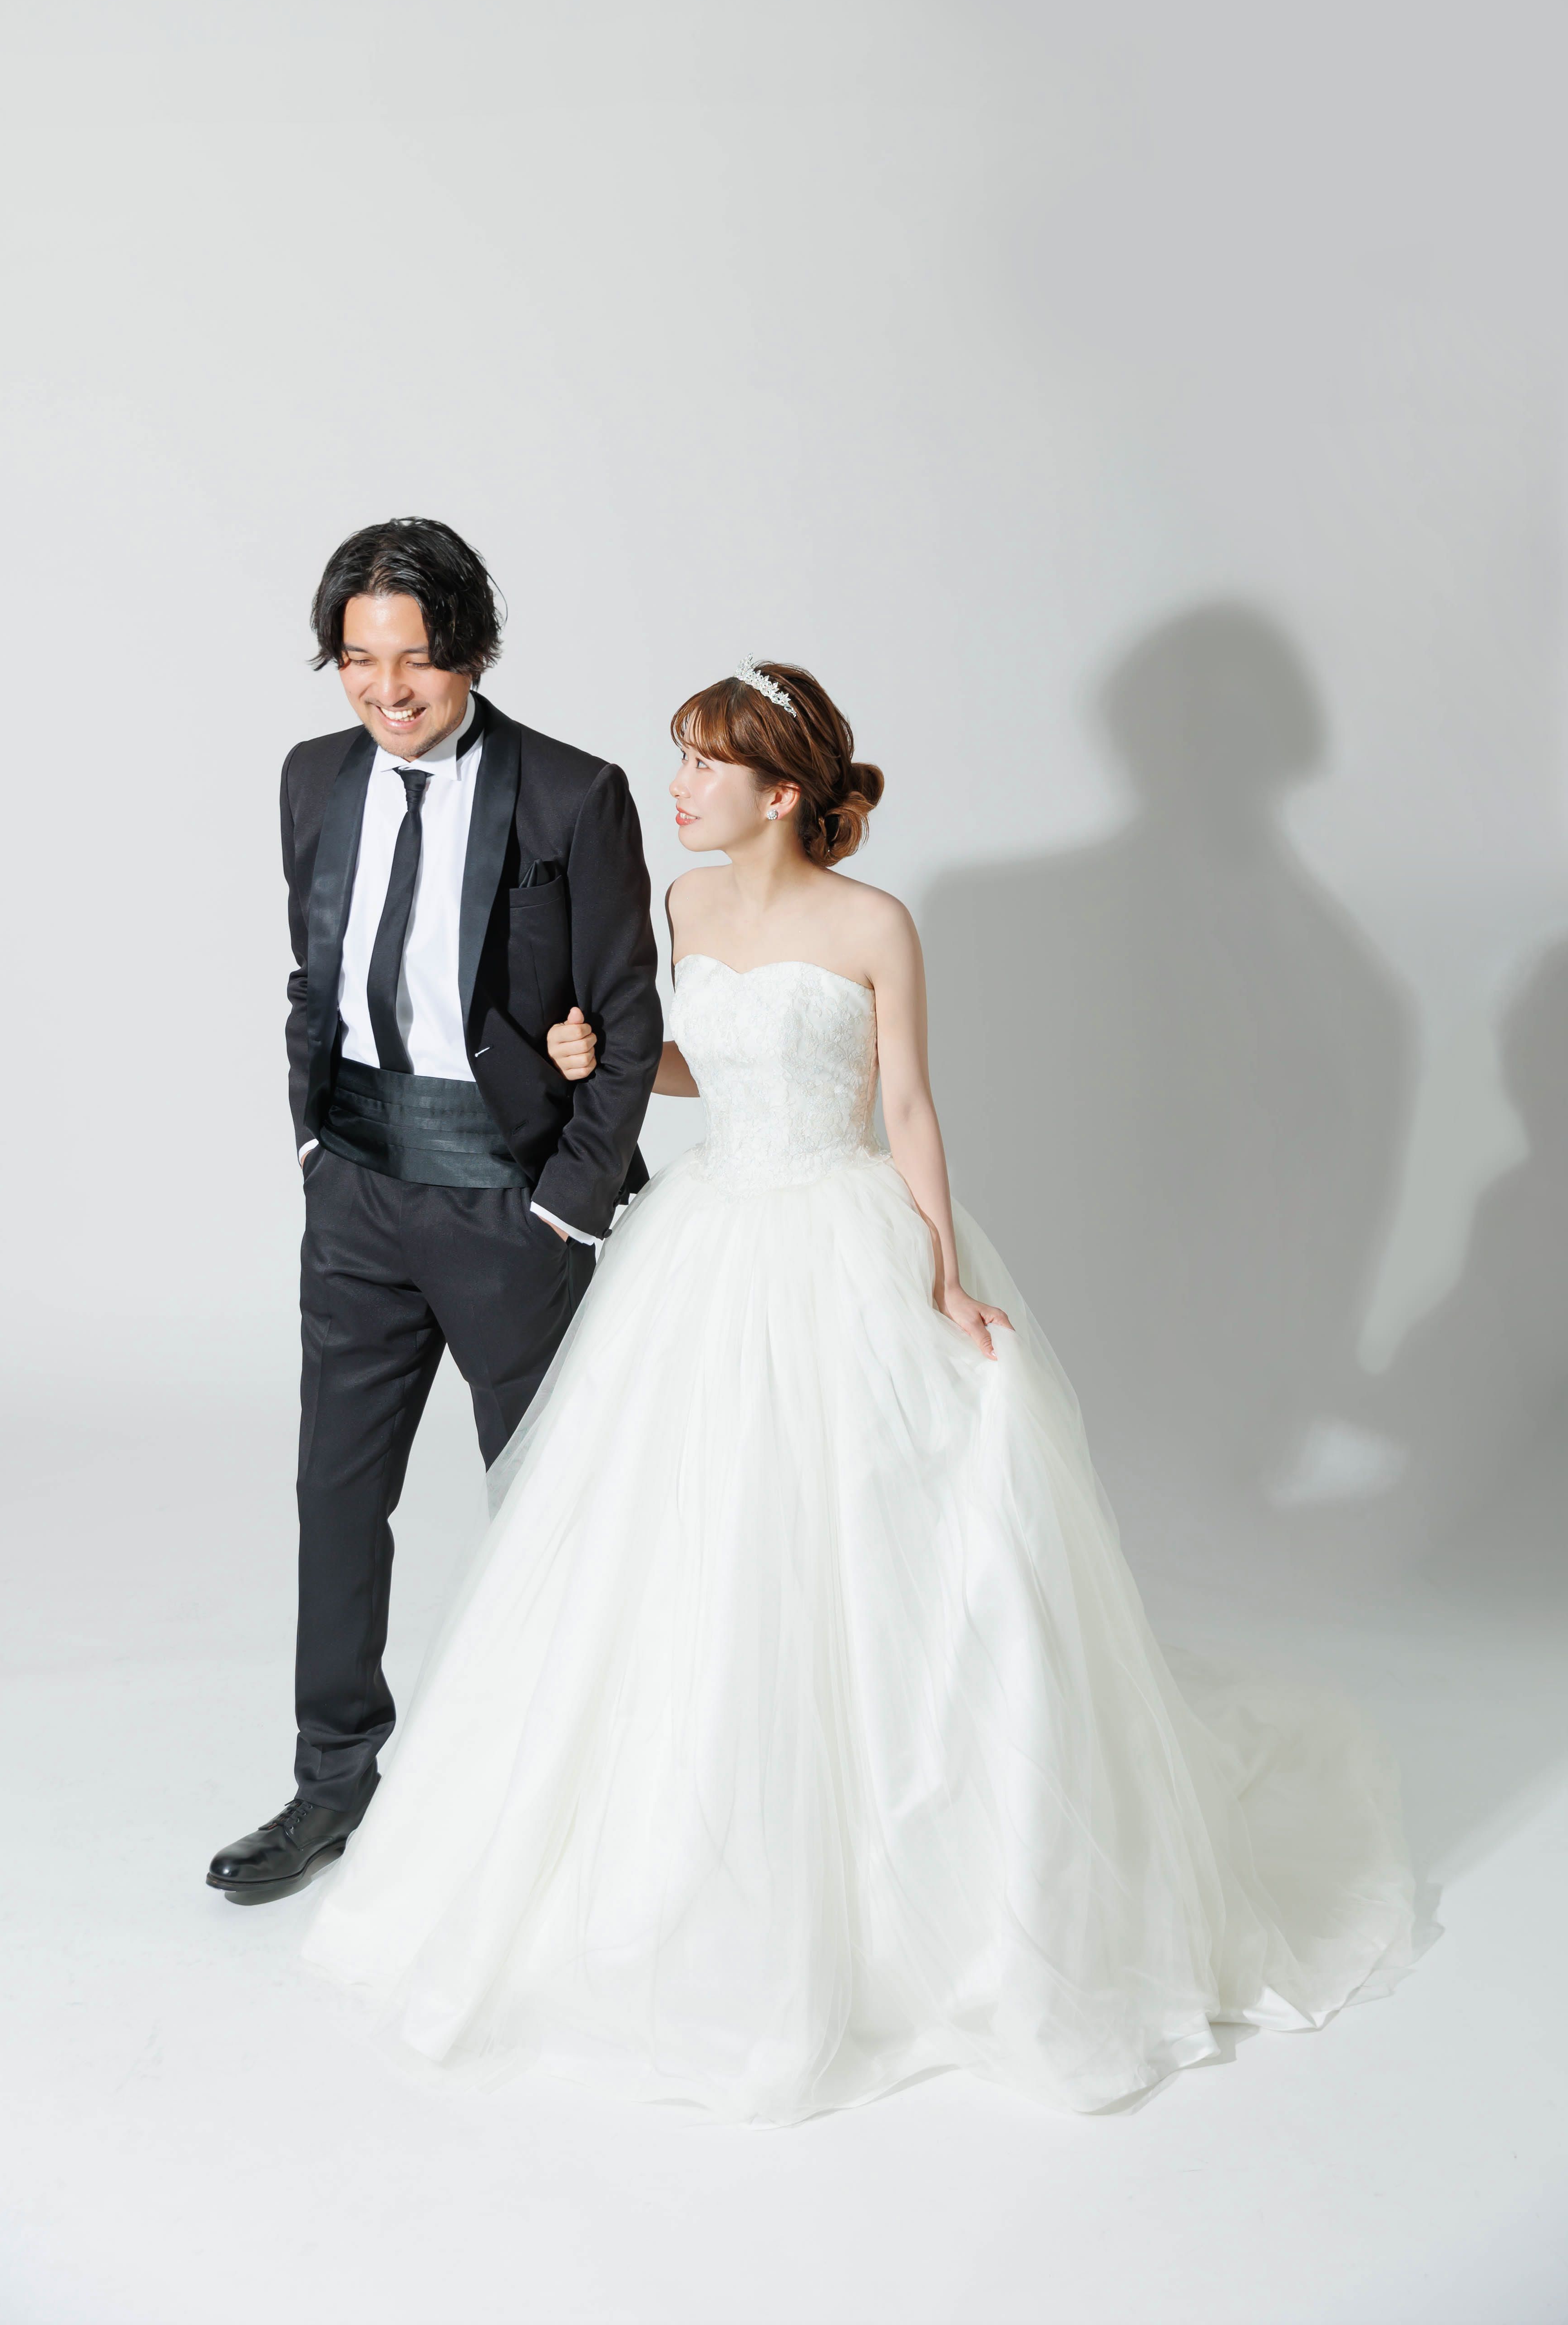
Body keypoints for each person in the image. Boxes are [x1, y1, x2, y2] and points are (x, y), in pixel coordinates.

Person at [302, 661, 1415, 2120]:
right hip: (710, 1235)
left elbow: (905, 1104)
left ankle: (920, 1877)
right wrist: (599, 1059)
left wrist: (941, 1269)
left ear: (781, 792)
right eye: (680, 760)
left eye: (705, 766)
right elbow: (694, 1067)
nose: (678, 787)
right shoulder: (686, 906)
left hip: (839, 1225)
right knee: (692, 1539)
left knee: (876, 1538)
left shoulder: (875, 924)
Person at [206, 521, 661, 1906]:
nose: (385, 689)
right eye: (358, 659)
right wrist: (311, 1142)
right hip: (354, 1185)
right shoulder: (313, 777)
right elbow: (316, 973)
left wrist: (567, 1213)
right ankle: (332, 1780)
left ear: (471, 649)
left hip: (507, 1203)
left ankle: (560, 1795)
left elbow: (629, 1022)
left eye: (413, 659)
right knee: (336, 1494)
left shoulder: (573, 795)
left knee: (544, 1506)